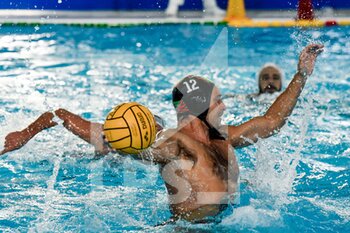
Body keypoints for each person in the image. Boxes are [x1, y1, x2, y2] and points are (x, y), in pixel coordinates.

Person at [0, 44, 323, 223]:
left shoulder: (223, 136)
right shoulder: (173, 144)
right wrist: (26, 133)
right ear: (197, 109)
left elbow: (271, 120)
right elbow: (92, 131)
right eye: (217, 100)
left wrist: (300, 75)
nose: (224, 106)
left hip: (229, 221)